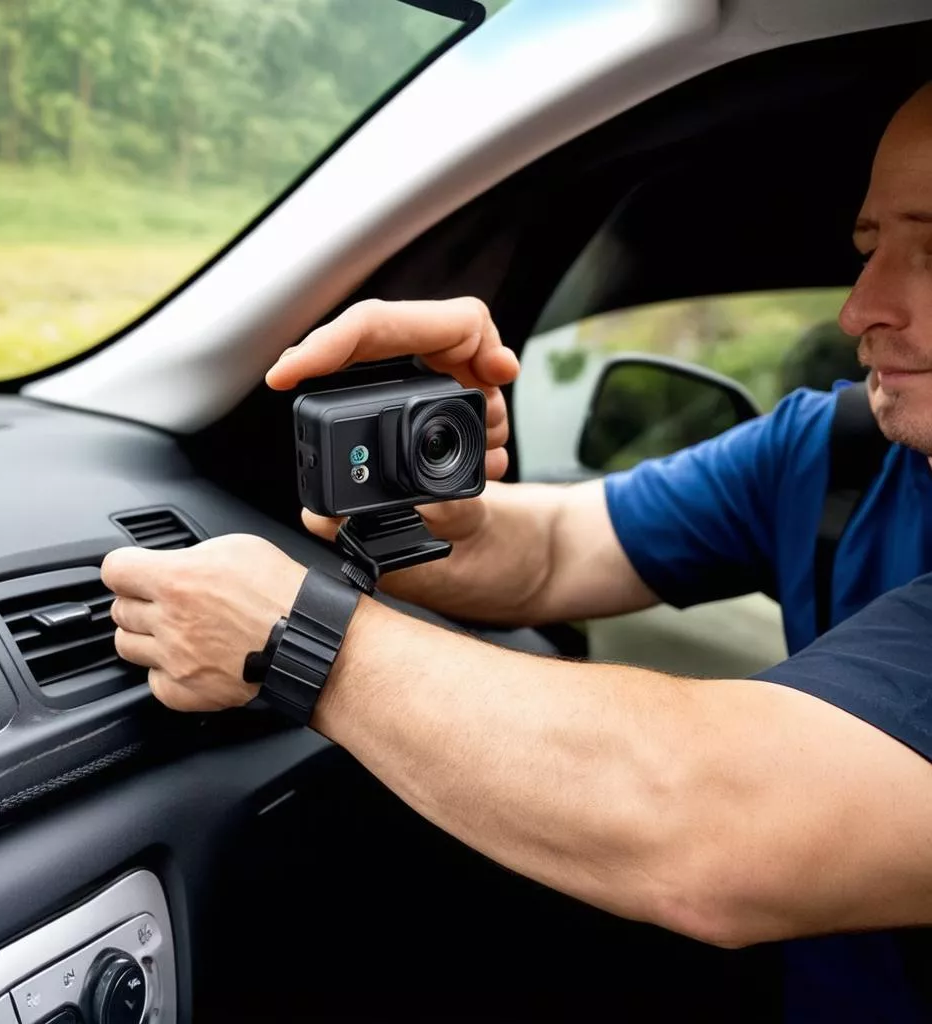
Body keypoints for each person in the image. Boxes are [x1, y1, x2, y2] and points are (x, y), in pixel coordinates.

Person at [101, 82, 932, 1017]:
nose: (861, 308)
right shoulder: (838, 448)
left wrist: (293, 639)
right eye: (867, 251)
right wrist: (417, 497)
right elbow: (550, 555)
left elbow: (713, 825)